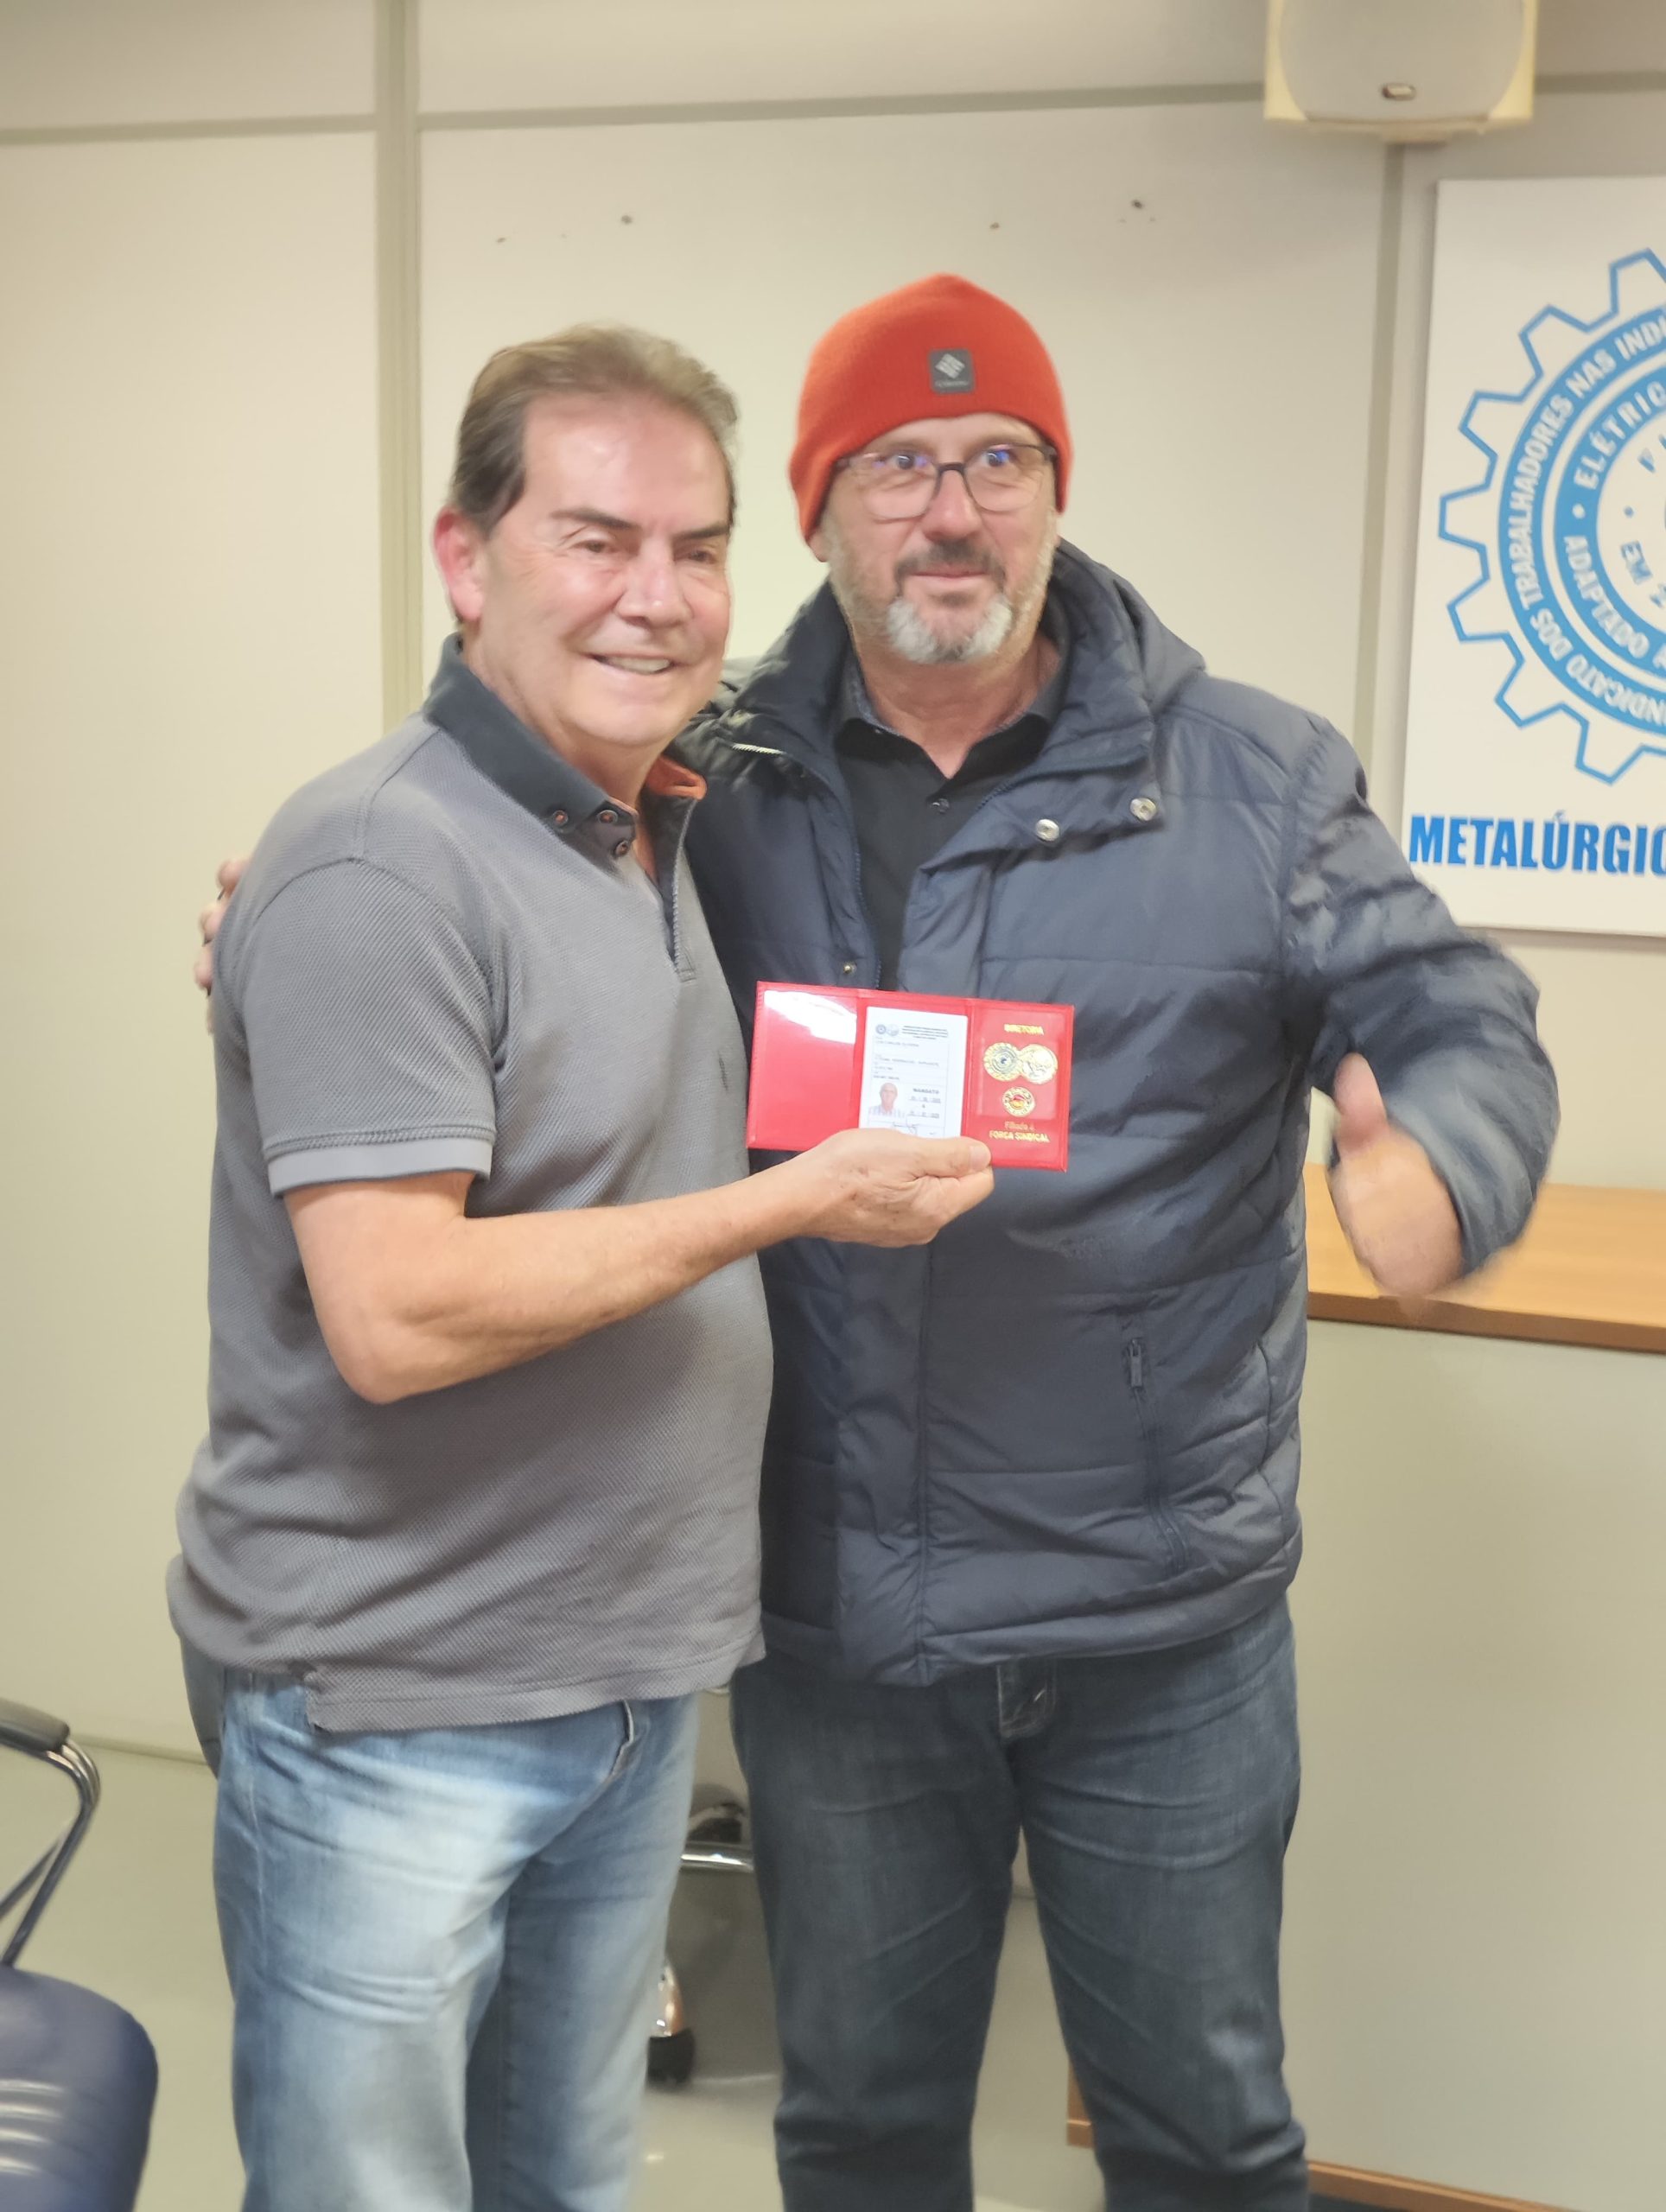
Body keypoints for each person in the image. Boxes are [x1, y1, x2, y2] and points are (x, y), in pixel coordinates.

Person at [200, 277, 1557, 2212]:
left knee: (1206, 2129)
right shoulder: (713, 778)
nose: (953, 511)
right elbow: (473, 870)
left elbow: (1452, 1006)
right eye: (898, 466)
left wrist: (1448, 1156)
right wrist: (288, 901)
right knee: (856, 2132)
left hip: (1155, 1616)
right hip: (839, 1624)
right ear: (822, 515)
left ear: (1054, 497)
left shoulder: (1249, 779)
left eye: (1000, 461)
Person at [171, 322, 991, 2212]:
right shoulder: (382, 864)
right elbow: (395, 1313)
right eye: (595, 538)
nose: (658, 595)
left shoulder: (647, 821)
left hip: (620, 1682)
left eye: (698, 548)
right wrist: (786, 1203)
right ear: (466, 559)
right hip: (400, 1701)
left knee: (559, 2181)